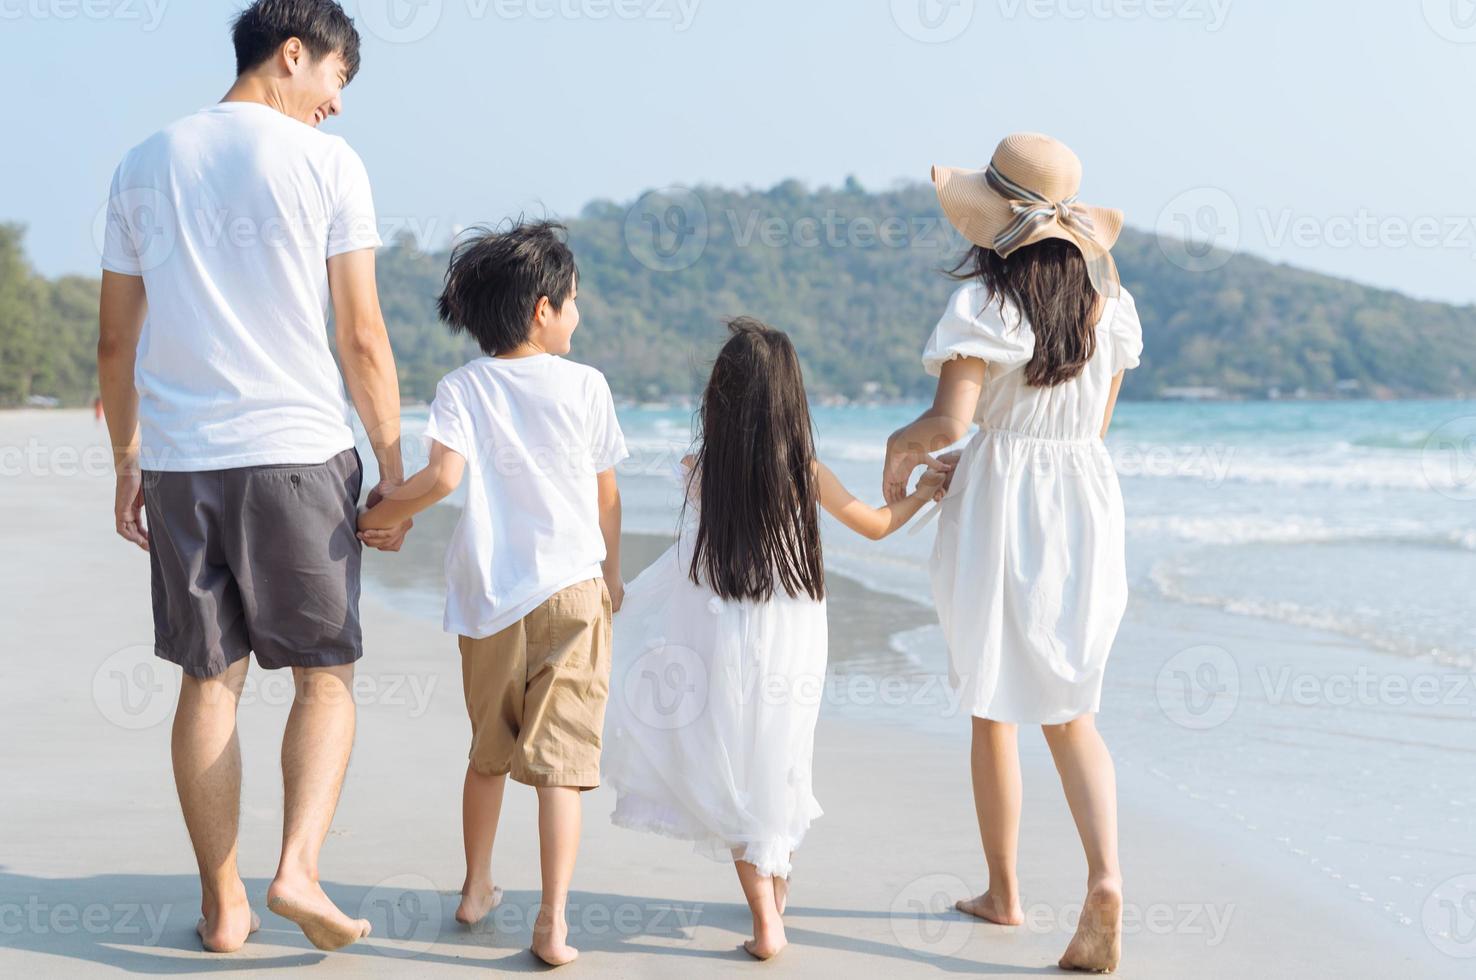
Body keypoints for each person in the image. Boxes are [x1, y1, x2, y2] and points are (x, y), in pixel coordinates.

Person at [96, 0, 407, 954]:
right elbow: (359, 336)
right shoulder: (326, 166)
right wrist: (395, 468)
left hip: (184, 466)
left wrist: (126, 458)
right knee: (324, 676)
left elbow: (115, 340)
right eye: (337, 80)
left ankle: (224, 905)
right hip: (297, 456)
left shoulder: (142, 162)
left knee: (209, 680)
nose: (338, 106)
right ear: (294, 52)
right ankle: (299, 868)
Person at [603, 318, 948, 960]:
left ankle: (767, 920)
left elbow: (684, 560)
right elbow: (874, 525)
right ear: (791, 397)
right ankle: (775, 910)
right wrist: (926, 494)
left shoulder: (700, 467)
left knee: (733, 762)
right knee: (780, 758)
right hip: (792, 634)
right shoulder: (804, 469)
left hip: (720, 632)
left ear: (720, 398)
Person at [882, 133, 1144, 973]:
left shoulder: (987, 308)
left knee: (993, 701)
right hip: (1084, 503)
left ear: (991, 224)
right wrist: (1005, 445)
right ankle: (1105, 877)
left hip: (1002, 506)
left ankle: (1004, 892)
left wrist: (901, 447)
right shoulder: (1114, 308)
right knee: (1072, 709)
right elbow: (1089, 427)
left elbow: (950, 424)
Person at [357, 220, 626, 967]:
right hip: (573, 589)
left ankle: (476, 889)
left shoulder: (462, 388)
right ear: (542, 308)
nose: (578, 314)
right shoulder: (587, 386)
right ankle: (554, 922)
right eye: (572, 301)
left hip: (490, 600)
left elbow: (443, 479)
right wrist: (610, 573)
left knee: (489, 754)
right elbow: (607, 495)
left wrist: (379, 516)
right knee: (561, 767)